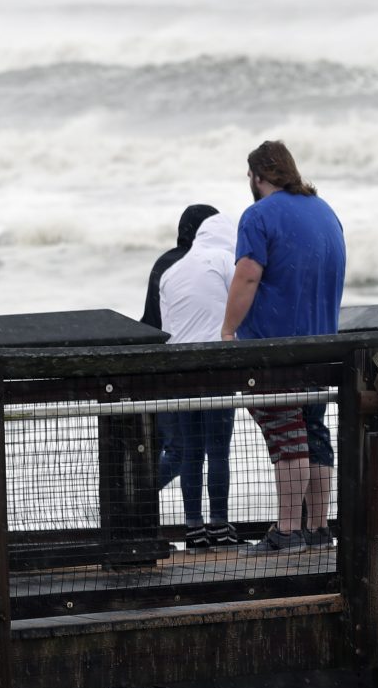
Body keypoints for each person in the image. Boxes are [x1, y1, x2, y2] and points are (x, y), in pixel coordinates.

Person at [220, 140, 346, 555]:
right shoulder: (325, 211)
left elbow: (248, 275)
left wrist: (227, 331)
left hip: (273, 347)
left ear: (257, 177)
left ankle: (288, 531)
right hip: (323, 345)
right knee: (313, 432)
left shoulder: (258, 215)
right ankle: (318, 528)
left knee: (285, 433)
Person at [157, 211, 239, 547]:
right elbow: (243, 306)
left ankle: (193, 529)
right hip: (216, 367)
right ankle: (220, 527)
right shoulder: (224, 260)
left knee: (191, 451)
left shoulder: (171, 271)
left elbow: (165, 329)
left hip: (180, 370)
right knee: (218, 450)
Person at [140, 203, 219, 493]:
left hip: (152, 366)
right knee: (182, 451)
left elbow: (153, 318)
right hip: (178, 369)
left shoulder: (165, 261)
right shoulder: (198, 266)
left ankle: (134, 515)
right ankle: (134, 503)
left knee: (158, 448)